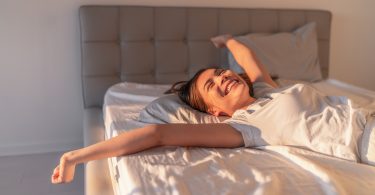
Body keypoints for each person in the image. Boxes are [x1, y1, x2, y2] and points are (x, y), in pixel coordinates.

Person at [51, 35, 375, 184]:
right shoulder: (245, 127)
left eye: (221, 73)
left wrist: (227, 41)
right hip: (366, 141)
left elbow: (247, 57)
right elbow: (157, 133)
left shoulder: (264, 90)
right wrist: (74, 157)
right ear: (216, 112)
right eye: (213, 86)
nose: (223, 78)